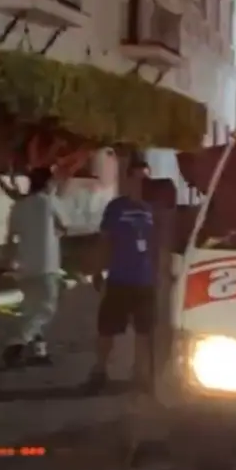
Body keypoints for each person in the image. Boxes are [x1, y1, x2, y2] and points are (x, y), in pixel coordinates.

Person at [85, 156, 155, 393]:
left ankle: (140, 374)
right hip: (119, 279)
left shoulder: (154, 209)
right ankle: (99, 370)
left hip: (146, 281)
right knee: (107, 329)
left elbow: (163, 244)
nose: (140, 184)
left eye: (145, 179)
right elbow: (104, 241)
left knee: (145, 330)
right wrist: (97, 270)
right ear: (128, 180)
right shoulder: (116, 207)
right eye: (136, 179)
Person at [2, 166, 66, 367]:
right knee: (46, 309)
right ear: (47, 183)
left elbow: (11, 237)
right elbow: (64, 226)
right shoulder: (49, 202)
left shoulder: (19, 206)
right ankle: (17, 343)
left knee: (31, 310)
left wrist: (9, 261)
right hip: (47, 265)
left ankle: (39, 352)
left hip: (25, 265)